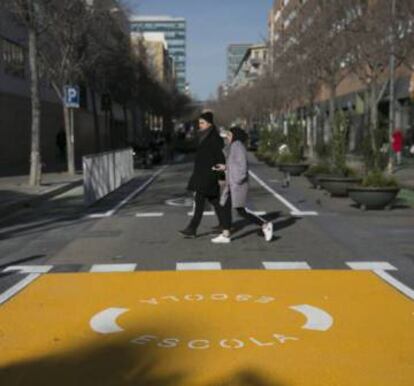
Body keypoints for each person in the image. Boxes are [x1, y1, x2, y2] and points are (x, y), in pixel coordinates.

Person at [211, 126, 273, 243]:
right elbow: (235, 165)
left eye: (229, 135)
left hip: (237, 184)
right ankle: (225, 234)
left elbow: (242, 167)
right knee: (225, 206)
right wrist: (225, 167)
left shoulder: (237, 146)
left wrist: (236, 179)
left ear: (234, 135)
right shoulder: (235, 145)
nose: (227, 137)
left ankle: (265, 224)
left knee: (240, 210)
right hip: (233, 184)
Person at [179, 112, 227, 238]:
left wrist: (221, 177)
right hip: (202, 174)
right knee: (214, 200)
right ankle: (225, 223)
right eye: (199, 123)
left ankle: (192, 228)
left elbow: (220, 158)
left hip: (209, 175)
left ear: (209, 124)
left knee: (199, 201)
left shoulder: (214, 138)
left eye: (202, 123)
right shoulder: (203, 136)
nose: (199, 125)